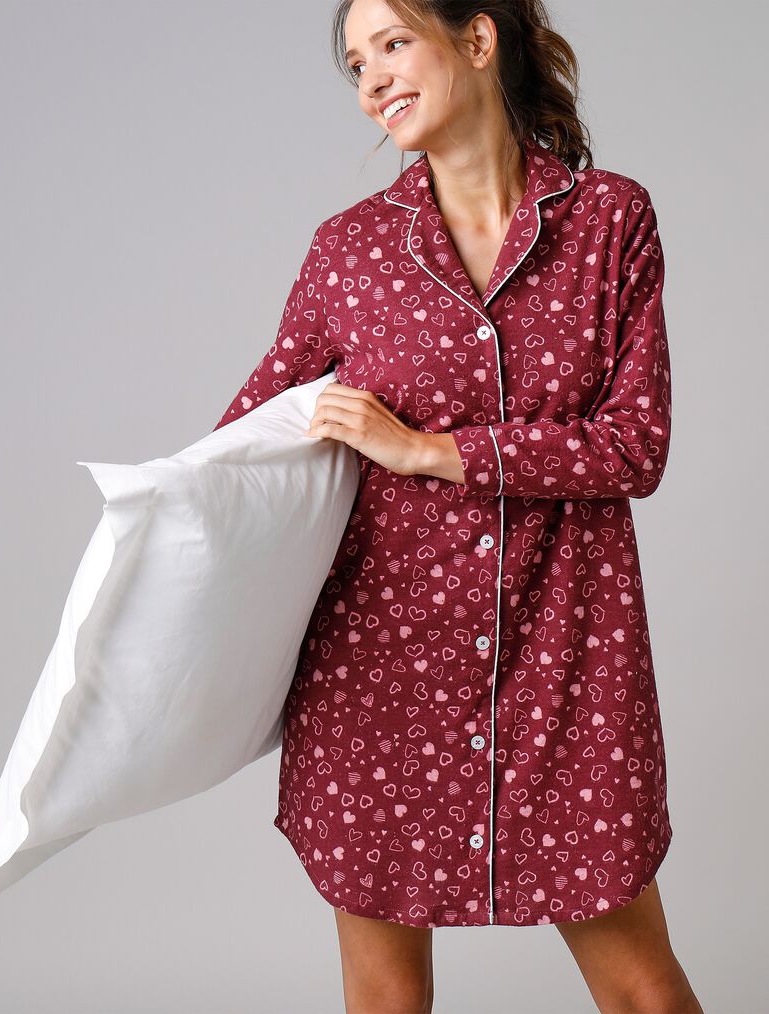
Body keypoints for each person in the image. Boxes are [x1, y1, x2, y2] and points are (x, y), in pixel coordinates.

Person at [214, 1, 702, 1010]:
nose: (373, 81)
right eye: (357, 64)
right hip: (377, 670)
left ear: (478, 41)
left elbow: (634, 444)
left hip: (565, 667)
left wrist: (435, 452)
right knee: (387, 999)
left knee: (643, 990)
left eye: (394, 44)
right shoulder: (349, 251)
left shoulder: (610, 221)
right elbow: (243, 442)